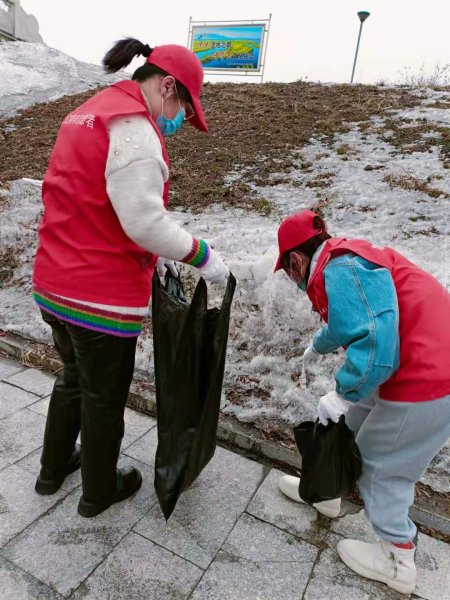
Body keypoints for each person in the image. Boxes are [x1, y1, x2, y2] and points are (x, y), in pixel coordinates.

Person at [32, 38, 229, 518]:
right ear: (167, 86)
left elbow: (91, 198)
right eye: (183, 107)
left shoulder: (89, 112)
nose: (179, 119)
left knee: (73, 378)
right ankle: (99, 492)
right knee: (103, 399)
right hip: (98, 295)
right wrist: (202, 256)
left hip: (53, 281)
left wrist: (151, 254)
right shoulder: (135, 130)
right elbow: (143, 220)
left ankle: (52, 470)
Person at [274, 210, 450, 595]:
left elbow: (376, 348)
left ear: (295, 260)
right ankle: (326, 491)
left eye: (285, 270)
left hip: (427, 377)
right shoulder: (343, 260)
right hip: (417, 360)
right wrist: (318, 346)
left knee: (382, 466)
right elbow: (351, 319)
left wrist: (343, 393)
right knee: (349, 429)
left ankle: (398, 560)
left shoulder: (340, 271)